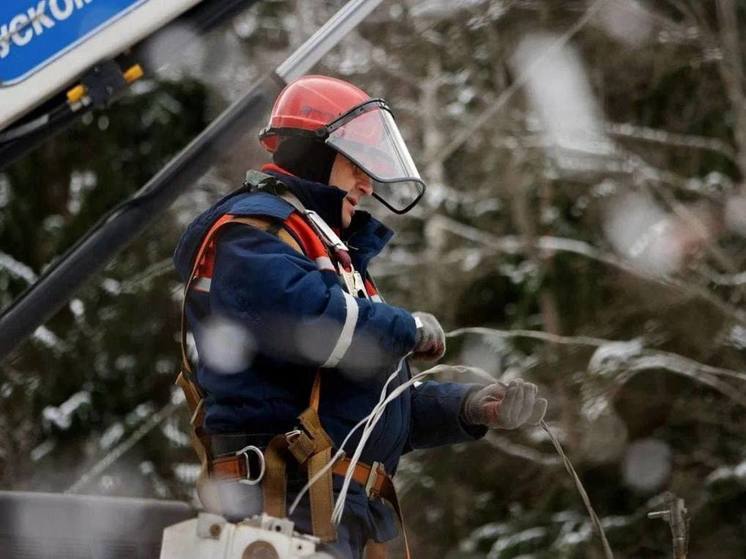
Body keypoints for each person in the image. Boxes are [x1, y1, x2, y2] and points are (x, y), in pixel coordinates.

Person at [173, 75, 547, 558]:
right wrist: (403, 327)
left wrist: (470, 407)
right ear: (313, 151)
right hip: (280, 507)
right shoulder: (251, 233)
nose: (368, 185)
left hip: (328, 512)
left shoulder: (326, 253)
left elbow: (370, 412)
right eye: (357, 164)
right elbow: (309, 323)